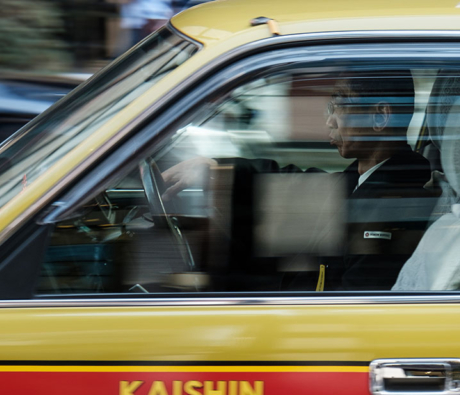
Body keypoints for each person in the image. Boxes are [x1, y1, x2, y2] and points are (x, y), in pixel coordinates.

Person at [162, 71, 433, 291]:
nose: (329, 121)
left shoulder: (397, 201)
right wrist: (217, 170)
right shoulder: (363, 182)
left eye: (339, 105)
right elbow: (297, 183)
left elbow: (354, 306)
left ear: (379, 116)